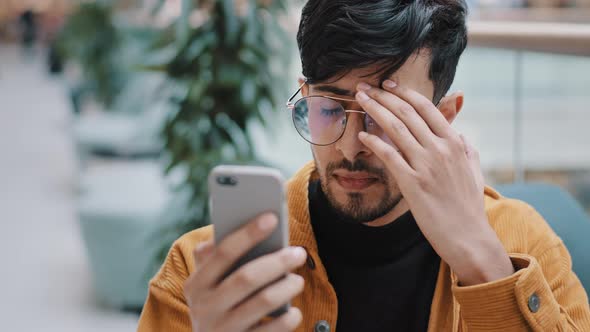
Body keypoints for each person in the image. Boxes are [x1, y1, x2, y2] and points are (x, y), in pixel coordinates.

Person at [137, 0, 590, 331]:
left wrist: (484, 266)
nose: (352, 147)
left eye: (388, 114)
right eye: (330, 108)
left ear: (444, 118)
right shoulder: (201, 276)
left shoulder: (523, 242)